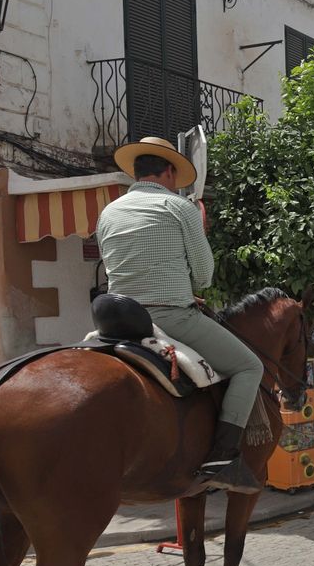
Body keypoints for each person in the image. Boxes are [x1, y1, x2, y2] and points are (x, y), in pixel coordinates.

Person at [95, 137, 264, 493]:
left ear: (138, 171)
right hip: (169, 317)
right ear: (169, 171)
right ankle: (223, 459)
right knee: (250, 367)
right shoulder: (179, 207)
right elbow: (204, 275)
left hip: (115, 319)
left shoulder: (109, 211)